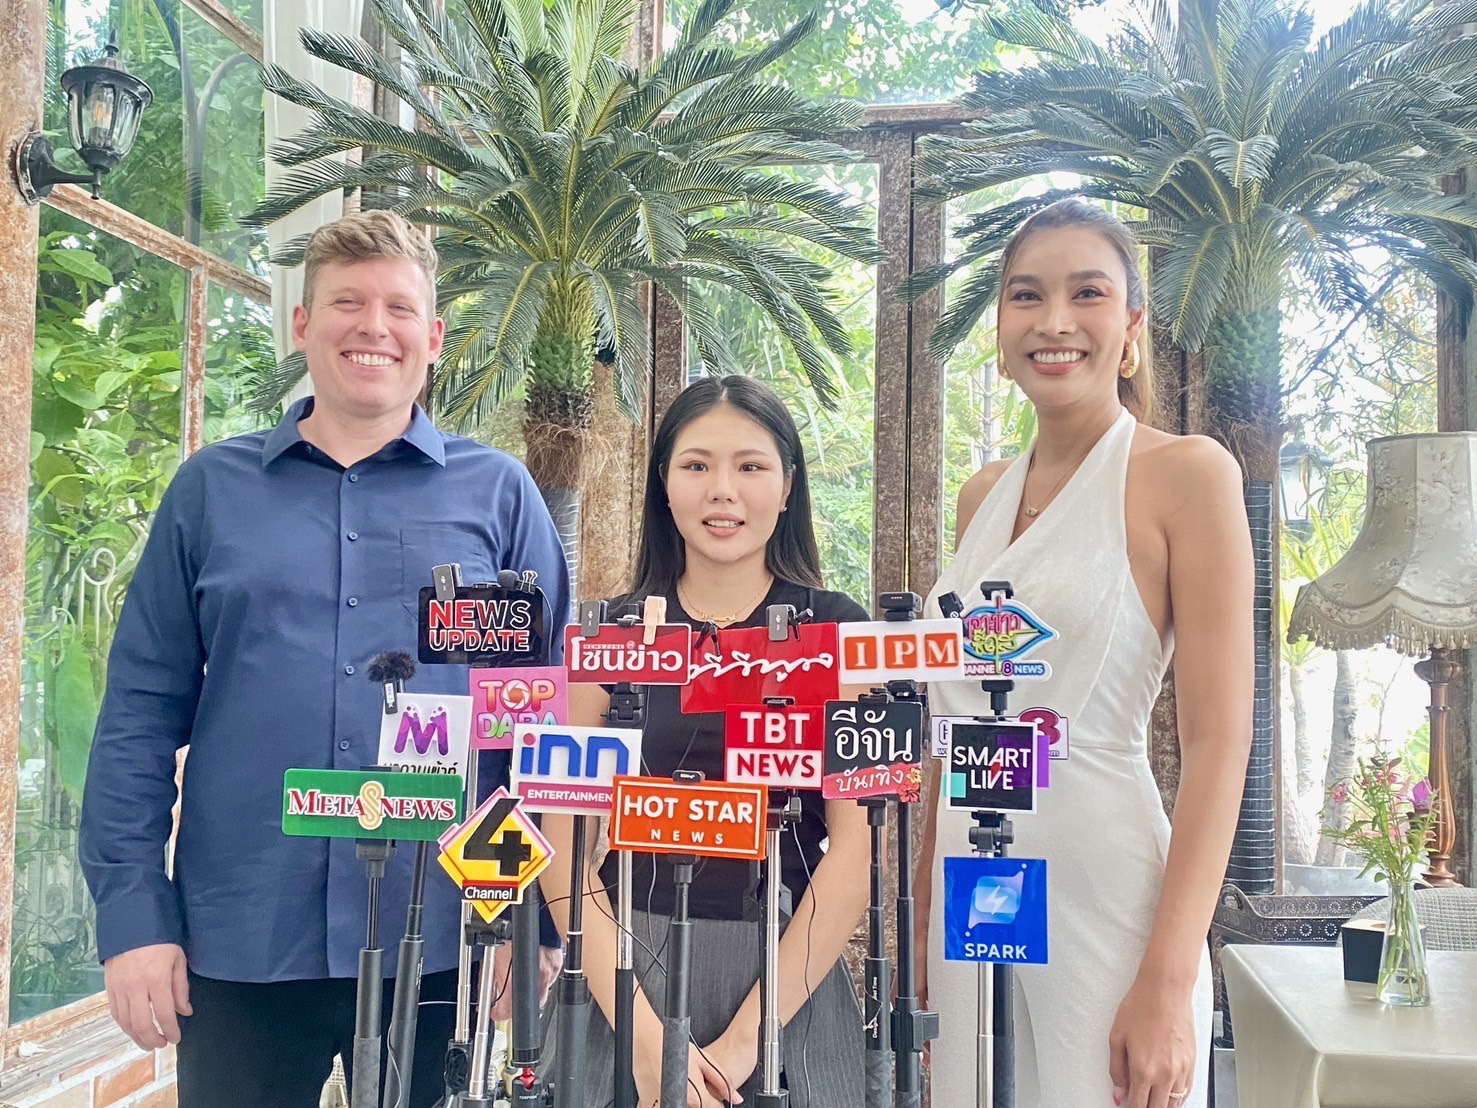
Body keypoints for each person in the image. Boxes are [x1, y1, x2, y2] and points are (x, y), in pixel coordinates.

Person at [78, 209, 569, 1107]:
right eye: (347, 302)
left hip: (444, 939)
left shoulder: (499, 495)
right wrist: (134, 916)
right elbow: (138, 719)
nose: (372, 326)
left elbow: (540, 729)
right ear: (302, 324)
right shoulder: (209, 493)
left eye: (398, 307)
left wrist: (525, 919)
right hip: (241, 938)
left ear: (433, 336)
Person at [915, 198, 1253, 1108]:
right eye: (1026, 295)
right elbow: (958, 736)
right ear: (1000, 329)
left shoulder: (1187, 475)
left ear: (1132, 325)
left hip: (1102, 890)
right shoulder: (981, 494)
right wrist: (920, 924)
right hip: (970, 887)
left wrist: (1169, 978)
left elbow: (1219, 742)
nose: (1053, 320)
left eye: (1087, 293)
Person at [538, 376, 871, 1107]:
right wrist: (645, 1039)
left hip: (783, 975)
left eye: (750, 465)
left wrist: (746, 1042)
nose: (723, 490)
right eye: (696, 465)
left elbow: (856, 853)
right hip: (621, 979)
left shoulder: (841, 635)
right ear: (664, 483)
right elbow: (560, 849)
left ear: (787, 485)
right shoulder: (607, 637)